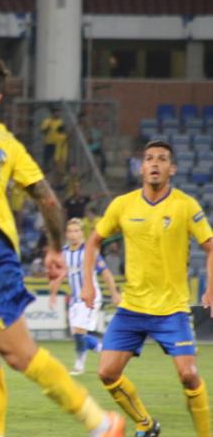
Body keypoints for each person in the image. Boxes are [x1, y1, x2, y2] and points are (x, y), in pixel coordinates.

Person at [0, 54, 124, 437]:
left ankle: (100, 422)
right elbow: (48, 199)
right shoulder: (10, 141)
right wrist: (55, 247)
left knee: (19, 354)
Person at [82, 140, 212, 437]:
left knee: (189, 375)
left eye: (162, 159)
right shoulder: (122, 205)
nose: (155, 163)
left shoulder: (186, 206)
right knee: (106, 372)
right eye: (149, 158)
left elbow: (210, 247)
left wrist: (210, 289)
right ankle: (146, 424)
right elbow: (93, 242)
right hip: (132, 308)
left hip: (172, 309)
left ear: (172, 169)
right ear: (141, 168)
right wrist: (88, 284)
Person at [49, 218, 120, 375]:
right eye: (70, 231)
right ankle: (102, 351)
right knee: (78, 335)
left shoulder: (90, 251)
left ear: (82, 233)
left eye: (76, 231)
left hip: (90, 298)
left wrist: (114, 293)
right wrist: (53, 294)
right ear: (66, 234)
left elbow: (106, 273)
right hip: (75, 299)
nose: (73, 235)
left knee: (79, 332)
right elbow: (60, 275)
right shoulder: (64, 252)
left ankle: (81, 365)